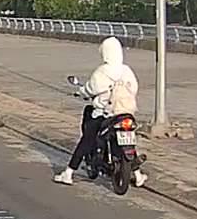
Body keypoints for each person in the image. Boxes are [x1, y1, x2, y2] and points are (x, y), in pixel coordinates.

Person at [53, 36, 147, 186]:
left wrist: (81, 92)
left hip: (105, 113)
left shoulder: (103, 71)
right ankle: (138, 175)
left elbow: (91, 89)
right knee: (127, 139)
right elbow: (134, 88)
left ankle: (69, 172)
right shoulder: (126, 70)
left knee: (87, 139)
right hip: (125, 113)